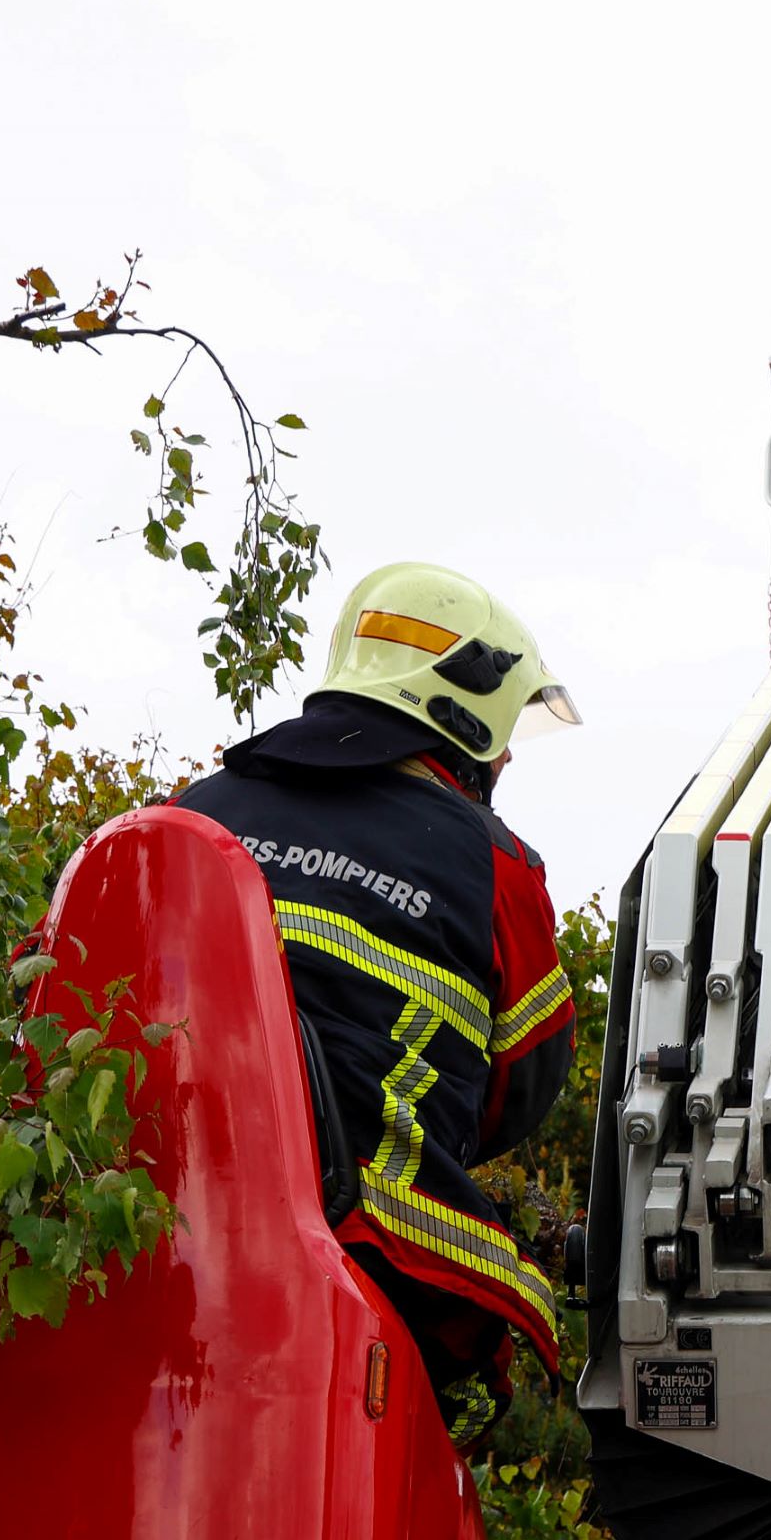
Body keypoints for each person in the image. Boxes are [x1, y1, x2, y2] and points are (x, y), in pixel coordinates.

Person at [175, 562, 581, 1415]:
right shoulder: (496, 865)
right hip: (372, 1255)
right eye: (503, 730)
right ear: (459, 707)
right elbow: (527, 1081)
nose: (506, 755)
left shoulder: (195, 810)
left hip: (154, 1208)